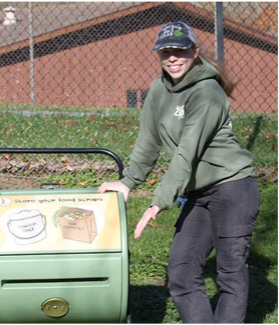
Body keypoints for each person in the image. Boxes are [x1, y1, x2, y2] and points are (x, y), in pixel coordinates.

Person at [98, 22, 260, 324]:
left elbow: (187, 152)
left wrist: (159, 200)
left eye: (180, 50)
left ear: (194, 52)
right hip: (199, 193)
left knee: (230, 272)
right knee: (182, 271)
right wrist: (128, 181)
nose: (172, 57)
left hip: (233, 189)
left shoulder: (208, 92)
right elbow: (148, 141)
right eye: (166, 52)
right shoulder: (159, 88)